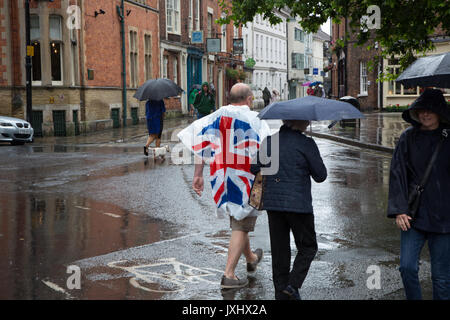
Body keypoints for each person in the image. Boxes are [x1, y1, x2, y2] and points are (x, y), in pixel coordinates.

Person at [178, 83, 271, 289]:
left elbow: (201, 143)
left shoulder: (216, 116)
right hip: (247, 180)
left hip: (223, 179)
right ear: (248, 100)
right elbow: (268, 151)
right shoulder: (257, 120)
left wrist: (198, 174)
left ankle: (251, 258)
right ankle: (228, 274)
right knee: (241, 224)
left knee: (239, 219)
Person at [251, 120, 327, 300]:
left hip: (274, 205)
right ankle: (292, 285)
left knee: (280, 251)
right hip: (299, 205)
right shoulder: (306, 143)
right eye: (306, 120)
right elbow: (321, 175)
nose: (308, 122)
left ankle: (281, 293)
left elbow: (254, 167)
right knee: (308, 247)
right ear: (300, 122)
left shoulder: (269, 142)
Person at [387, 88, 450, 300]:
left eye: (430, 110)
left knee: (441, 277)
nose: (425, 114)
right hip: (413, 214)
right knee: (407, 267)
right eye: (421, 110)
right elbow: (397, 174)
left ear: (440, 112)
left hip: (444, 218)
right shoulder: (408, 139)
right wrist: (399, 210)